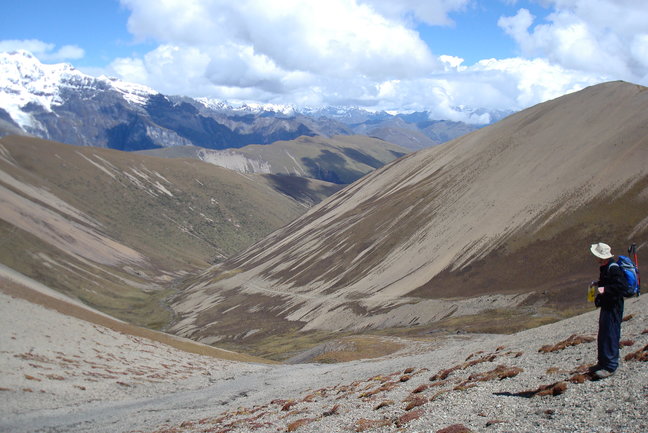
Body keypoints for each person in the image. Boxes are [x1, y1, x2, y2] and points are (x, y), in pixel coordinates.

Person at [589, 242, 626, 379]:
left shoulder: (613, 268)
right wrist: (598, 284)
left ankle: (610, 366)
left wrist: (602, 289)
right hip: (607, 304)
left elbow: (620, 287)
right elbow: (608, 284)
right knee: (604, 333)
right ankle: (603, 362)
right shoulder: (605, 267)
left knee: (610, 333)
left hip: (613, 306)